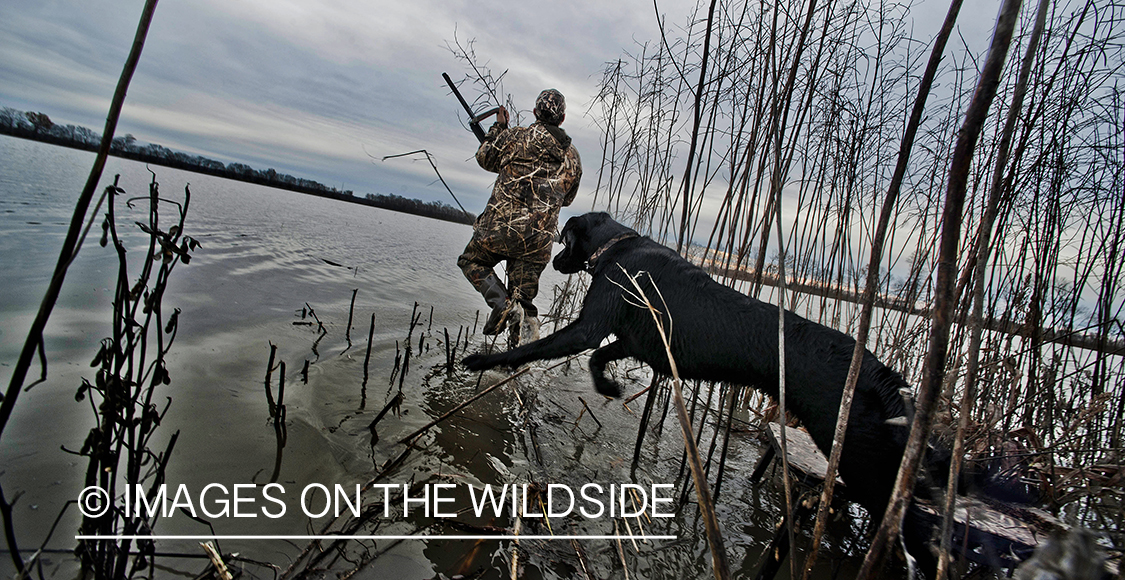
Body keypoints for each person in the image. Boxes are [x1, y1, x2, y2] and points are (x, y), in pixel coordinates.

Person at [457, 89, 581, 341]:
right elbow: (567, 198)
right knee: (523, 305)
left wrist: (498, 129)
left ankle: (502, 305)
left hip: (498, 232)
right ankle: (516, 366)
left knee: (471, 261)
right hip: (536, 243)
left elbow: (484, 157)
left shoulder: (515, 137)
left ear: (535, 112)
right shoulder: (572, 157)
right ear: (563, 118)